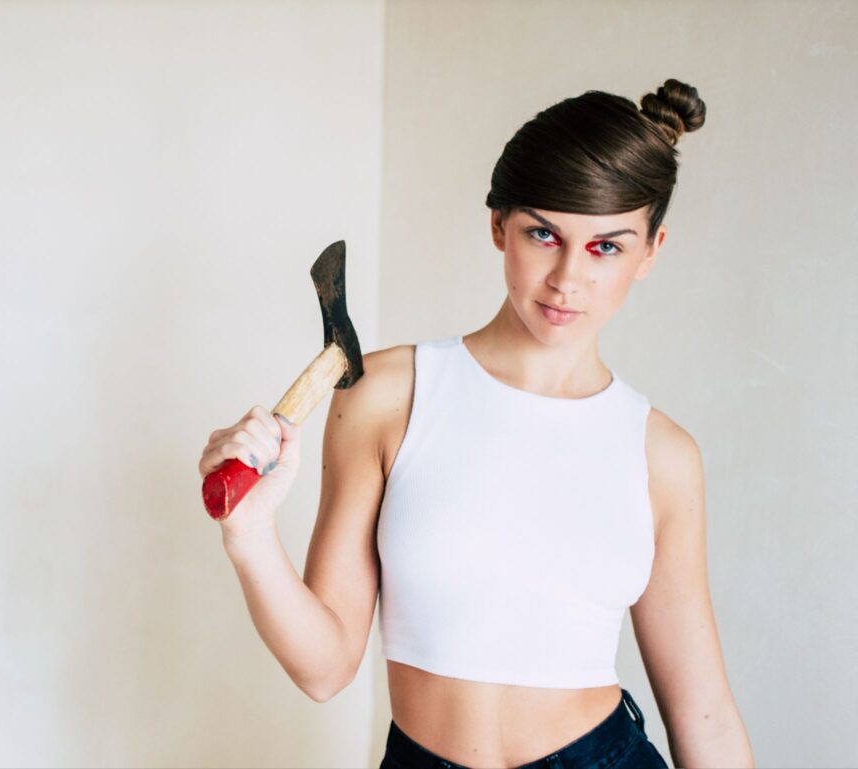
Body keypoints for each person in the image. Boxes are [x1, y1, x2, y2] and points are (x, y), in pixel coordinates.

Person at [198, 78, 754, 769]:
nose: (567, 279)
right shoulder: (388, 395)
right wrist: (249, 534)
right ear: (499, 225)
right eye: (543, 233)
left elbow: (704, 712)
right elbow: (324, 668)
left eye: (606, 247)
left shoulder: (663, 456)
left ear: (652, 250)